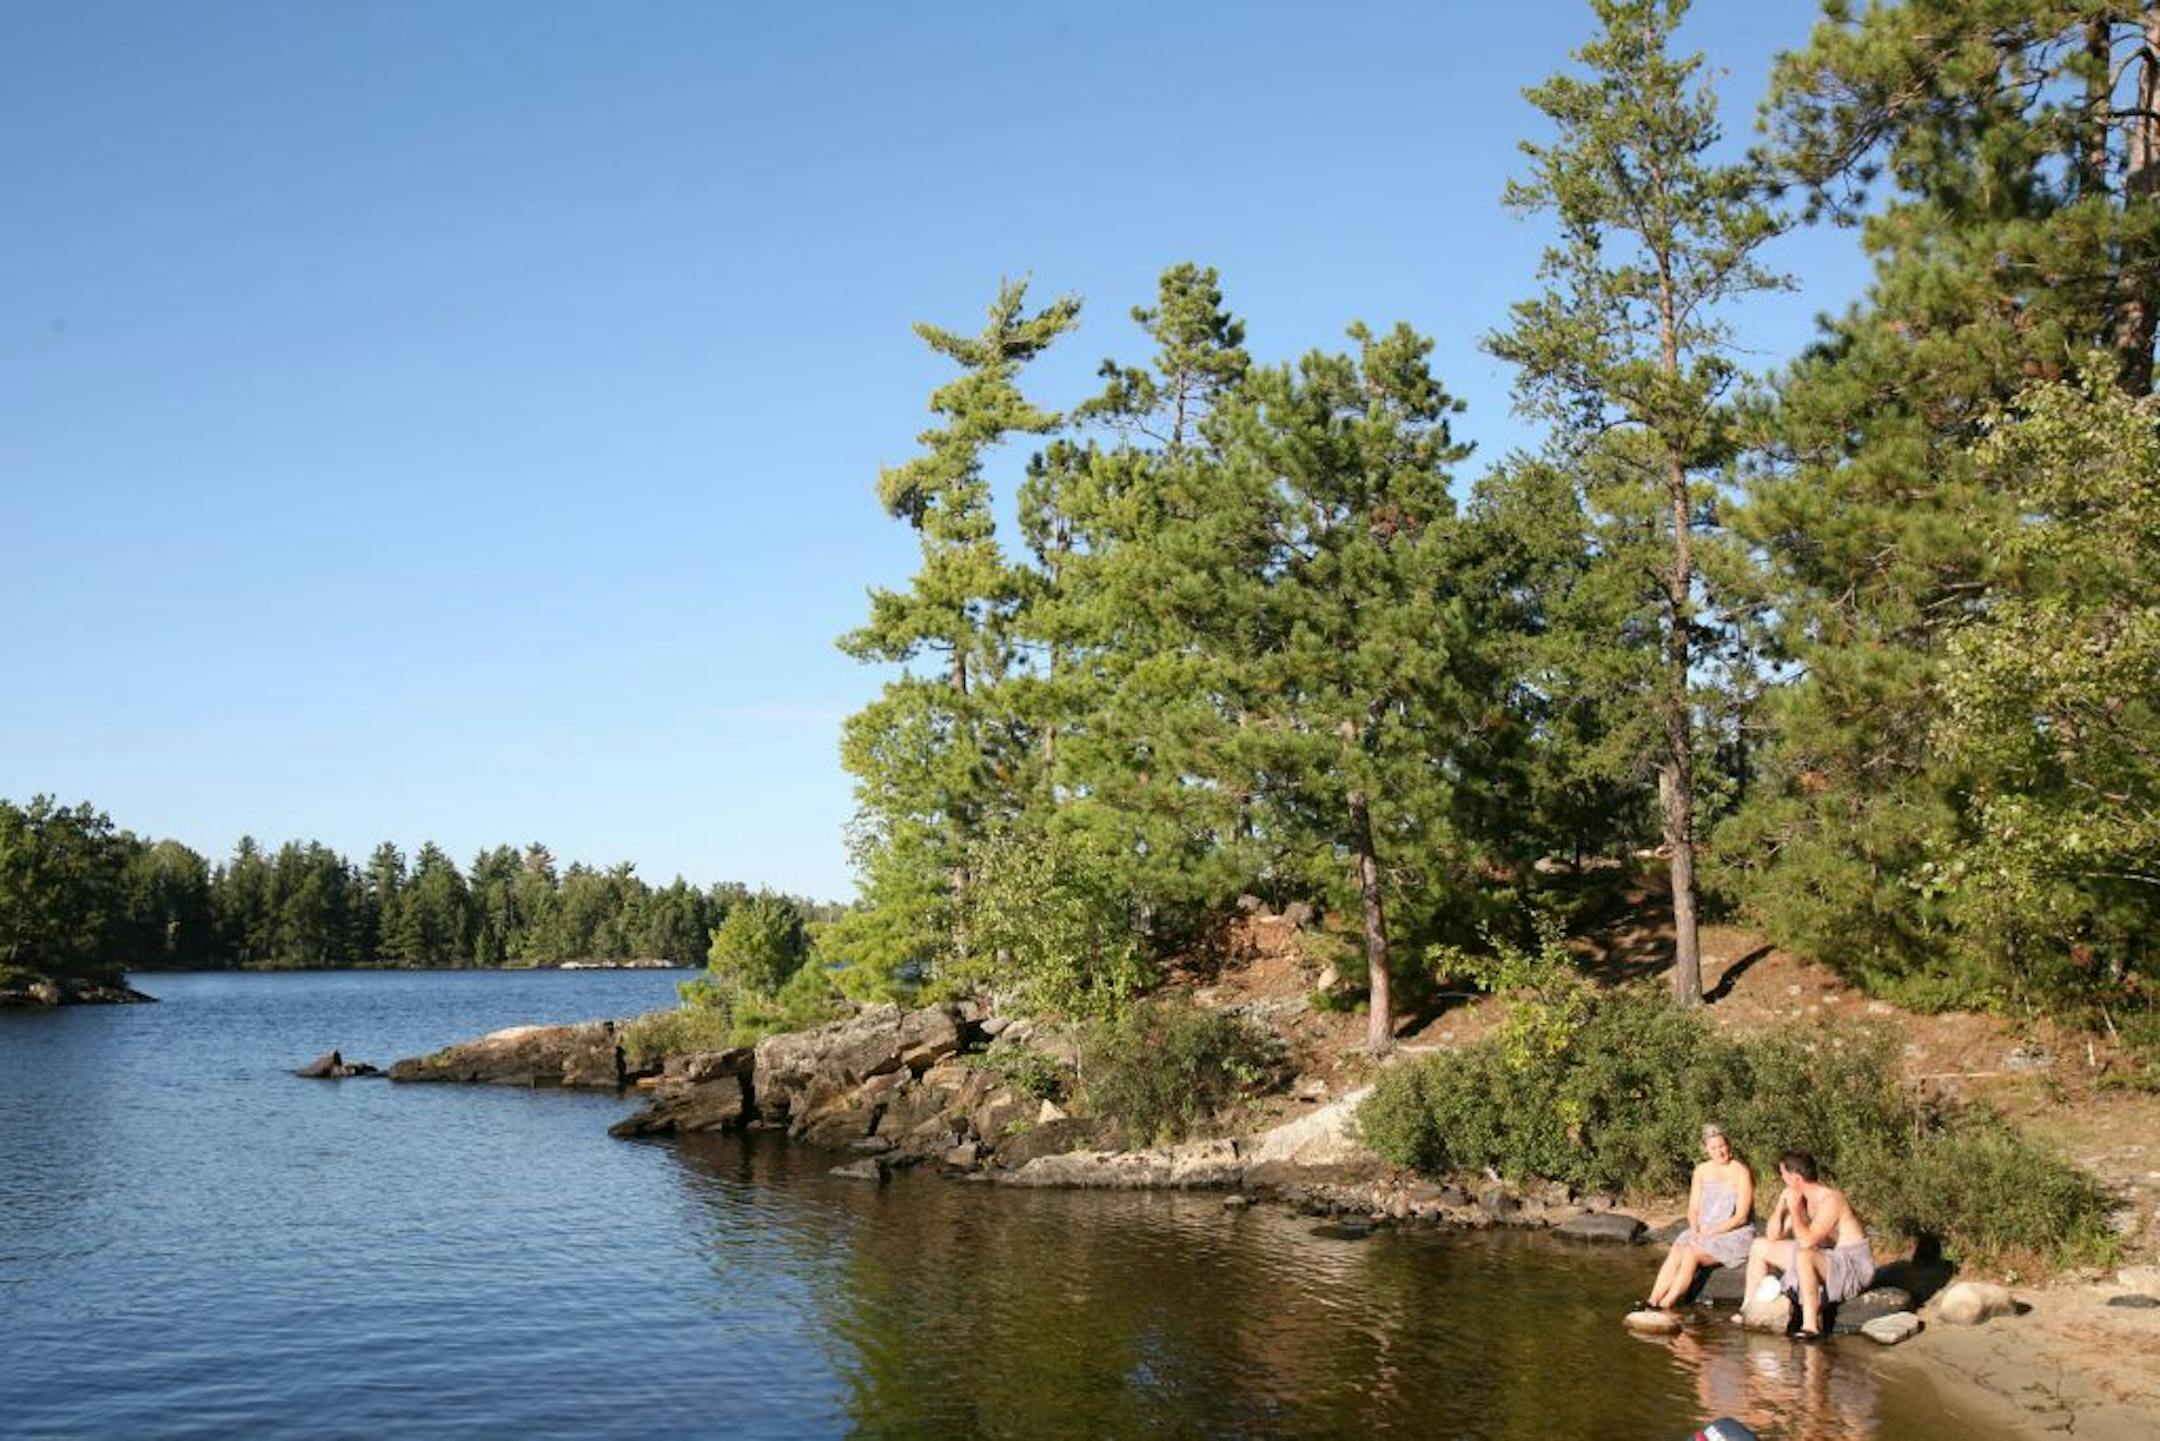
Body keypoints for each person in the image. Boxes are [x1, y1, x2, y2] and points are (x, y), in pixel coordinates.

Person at [1740, 1150, 1876, 1340]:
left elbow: (1807, 1241)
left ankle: (1810, 1325)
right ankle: (1748, 1308)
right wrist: (1781, 1205)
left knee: (1804, 1255)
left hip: (1849, 1263)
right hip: (1822, 1254)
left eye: (1784, 1176)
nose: (1782, 1180)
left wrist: (1795, 1209)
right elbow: (1773, 1235)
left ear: (1796, 1178)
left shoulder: (1832, 1200)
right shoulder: (1800, 1197)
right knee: (1759, 1246)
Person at [1640, 1122, 1755, 1312]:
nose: (1719, 1152)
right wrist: (1695, 1229)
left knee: (1691, 1254)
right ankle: (1653, 1300)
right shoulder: (1701, 1170)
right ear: (1706, 1150)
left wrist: (1712, 1232)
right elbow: (1692, 1208)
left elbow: (1741, 1217)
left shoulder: (1740, 1172)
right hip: (1702, 1228)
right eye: (1714, 1148)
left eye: (1722, 1146)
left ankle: (1666, 1304)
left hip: (1731, 1232)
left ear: (1729, 1146)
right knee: (1678, 1249)